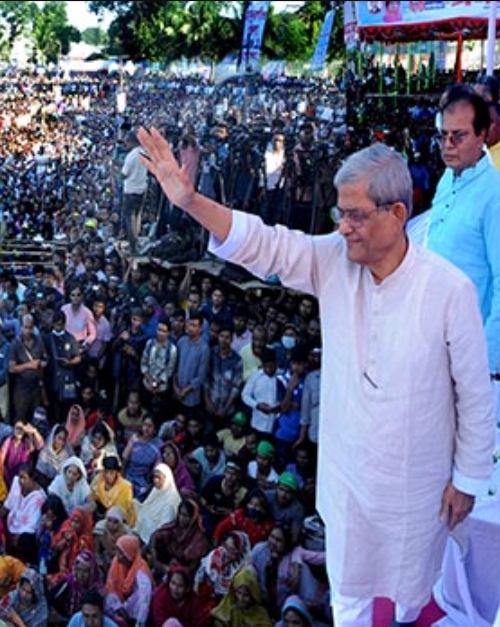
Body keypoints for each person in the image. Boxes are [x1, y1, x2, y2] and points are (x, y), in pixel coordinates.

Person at [136, 128, 494, 626]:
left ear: (397, 214)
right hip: (348, 481)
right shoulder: (334, 261)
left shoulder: (450, 289)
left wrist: (467, 480)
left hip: (416, 485)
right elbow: (267, 245)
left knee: (411, 592)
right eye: (338, 214)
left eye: (355, 215)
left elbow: (475, 395)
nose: (343, 228)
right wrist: (191, 202)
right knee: (350, 598)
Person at [423, 84, 500, 506]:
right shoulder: (446, 182)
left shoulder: (495, 195)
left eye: (458, 136)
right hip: (433, 343)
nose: (447, 145)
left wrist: (485, 366)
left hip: (473, 359)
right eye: (443, 136)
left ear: (483, 135)